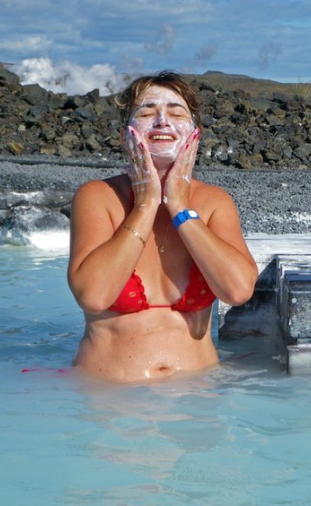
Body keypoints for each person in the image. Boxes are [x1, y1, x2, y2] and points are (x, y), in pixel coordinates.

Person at [67, 71, 258, 383]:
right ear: (124, 134)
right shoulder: (98, 197)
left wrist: (180, 207)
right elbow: (94, 296)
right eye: (146, 111)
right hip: (111, 395)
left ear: (195, 133)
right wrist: (145, 205)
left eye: (176, 111)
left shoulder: (213, 202)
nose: (162, 121)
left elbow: (237, 290)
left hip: (196, 395)